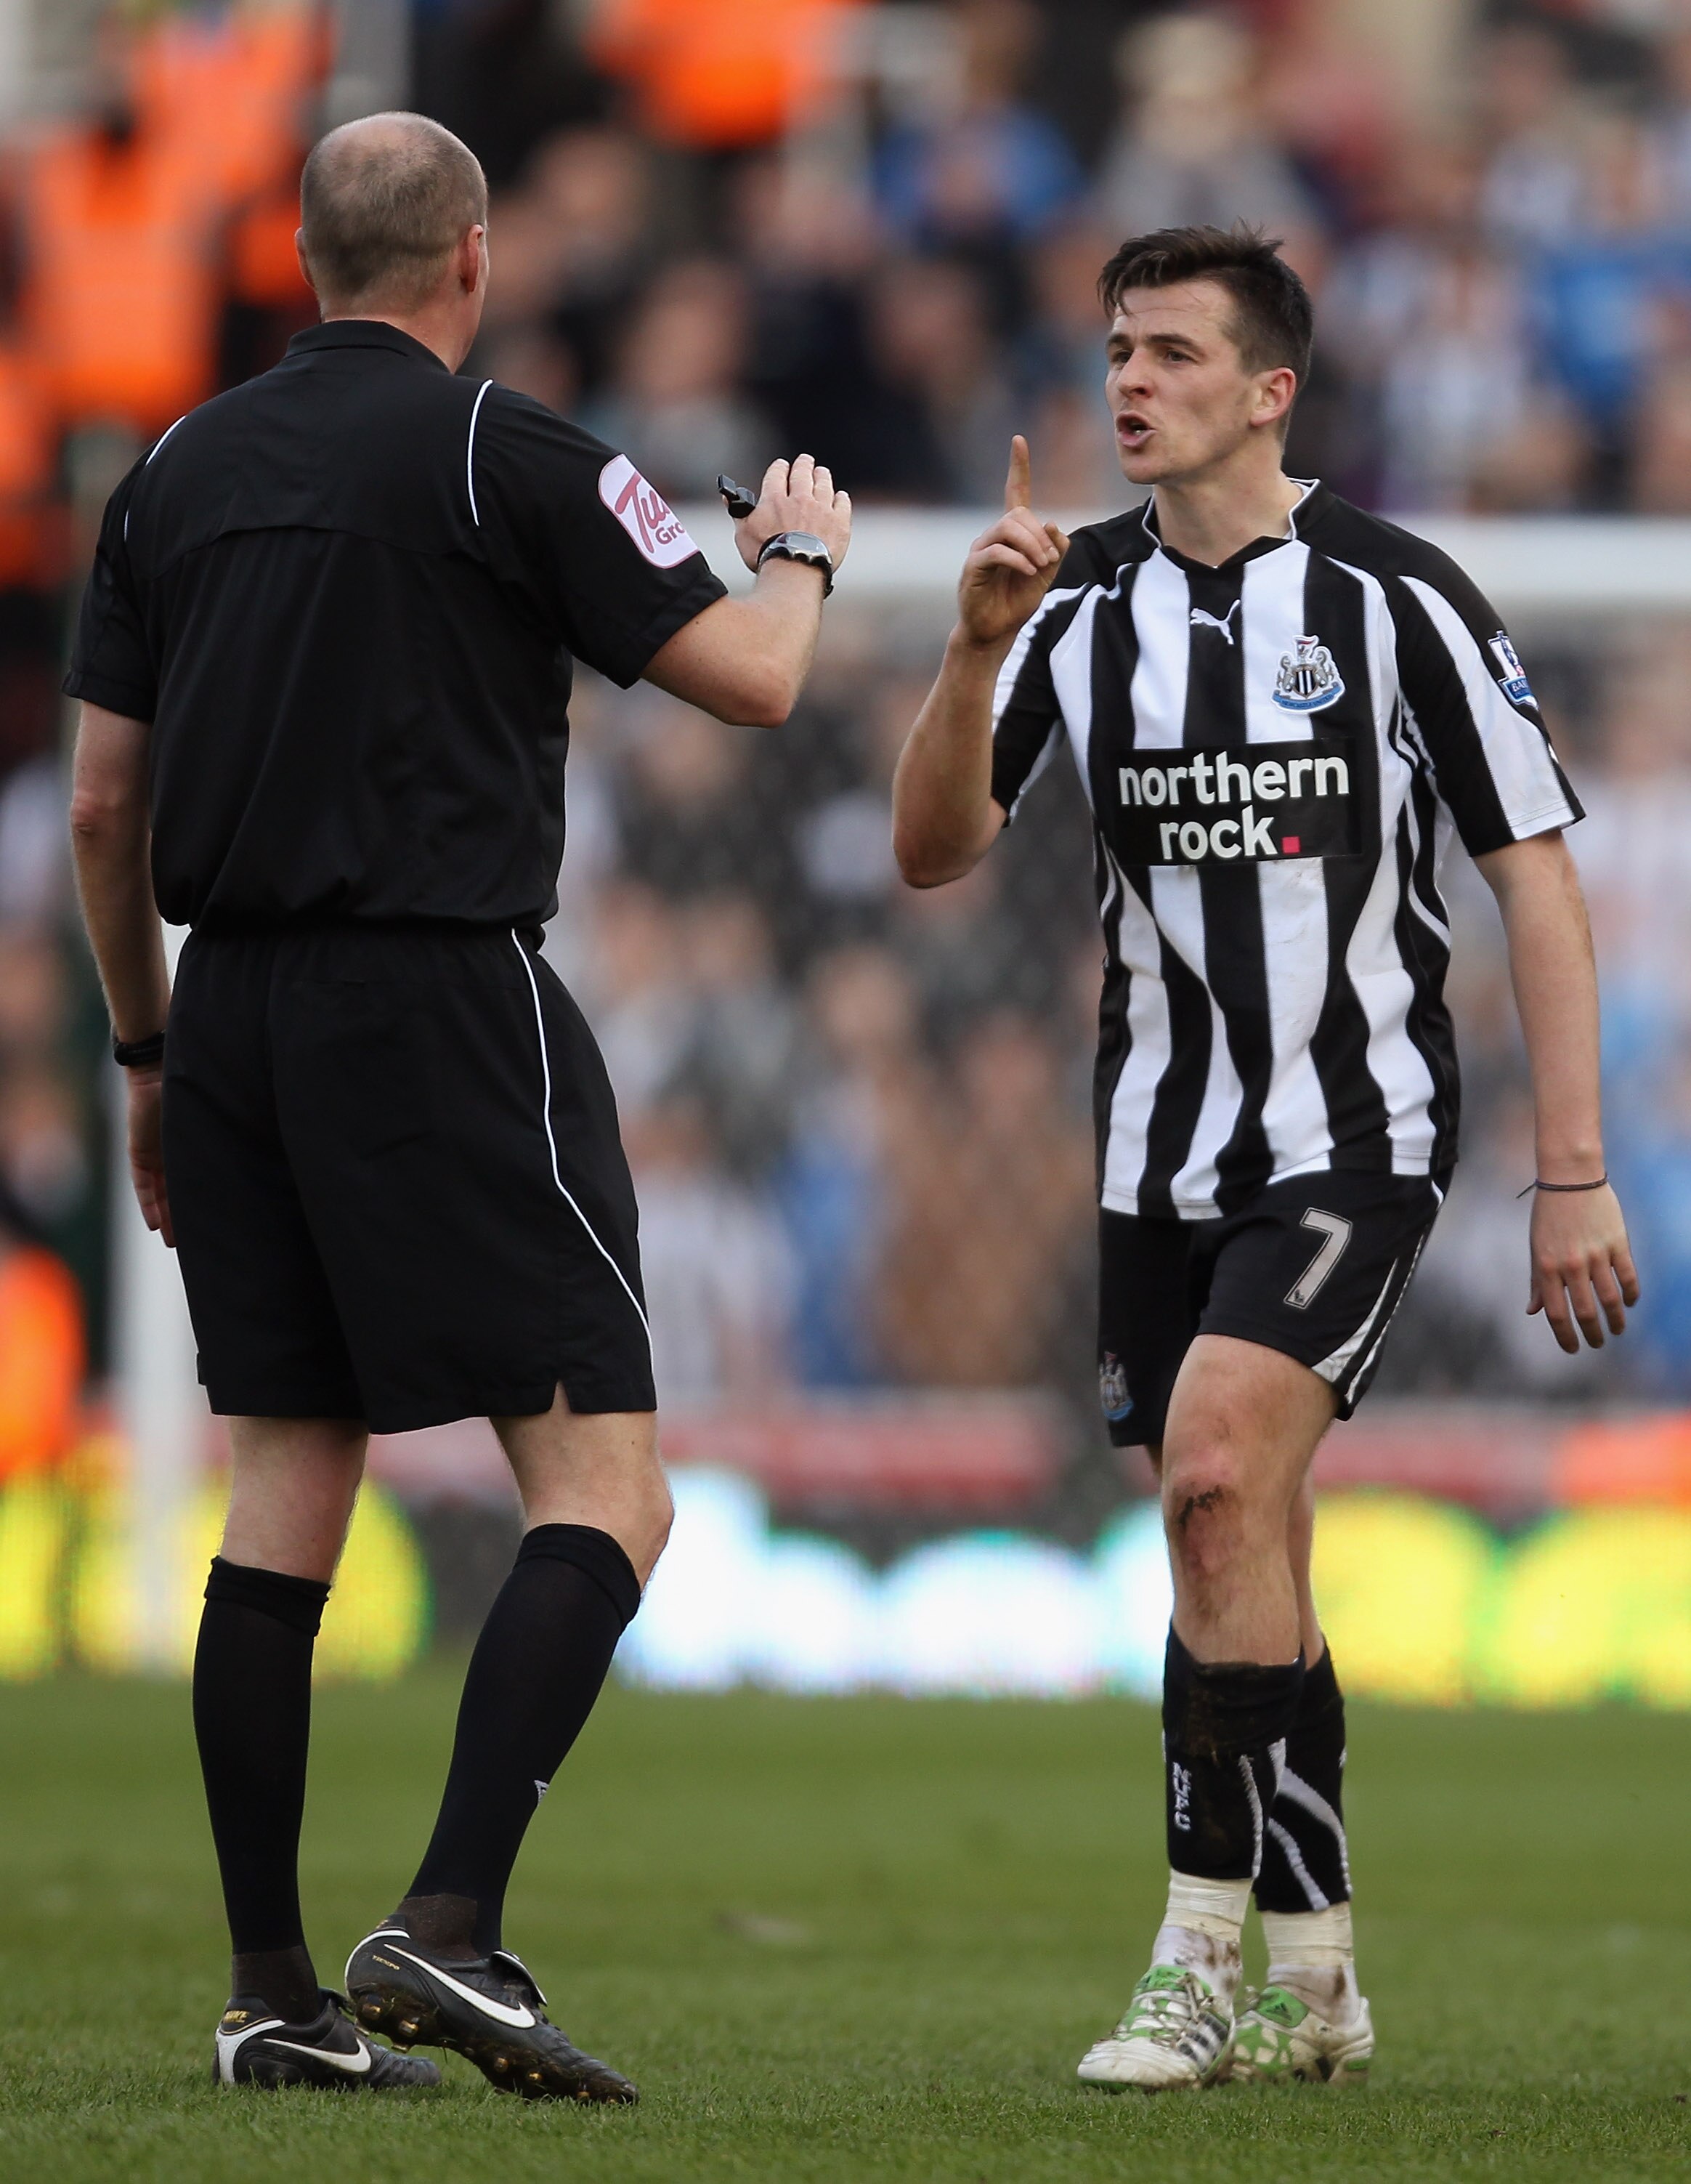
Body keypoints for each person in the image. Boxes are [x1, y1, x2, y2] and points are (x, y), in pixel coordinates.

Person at [66, 110, 850, 2100]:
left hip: (228, 1003)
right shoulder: (521, 450)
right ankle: (452, 1917)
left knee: (284, 1485)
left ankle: (265, 1990)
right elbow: (755, 680)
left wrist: (150, 1053)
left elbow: (98, 803)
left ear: (312, 258)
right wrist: (804, 557)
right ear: (473, 258)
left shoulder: (173, 468)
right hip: (439, 993)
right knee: (612, 1486)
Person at [891, 223, 1636, 2092]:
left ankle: (1193, 1957)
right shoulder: (1071, 608)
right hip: (1158, 1152)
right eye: (1117, 350)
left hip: (1358, 1134)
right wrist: (971, 656)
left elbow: (1532, 873)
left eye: (1172, 354)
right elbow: (933, 850)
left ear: (1270, 389)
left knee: (1215, 1475)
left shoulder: (1402, 600)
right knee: (1237, 1542)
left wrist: (1575, 1166)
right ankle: (1317, 1972)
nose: (1128, 382)